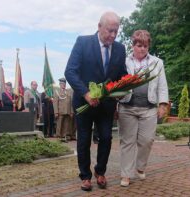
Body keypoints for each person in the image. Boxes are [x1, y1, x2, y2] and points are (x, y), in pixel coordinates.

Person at [65, 11, 127, 191]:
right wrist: (85, 93)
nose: (113, 35)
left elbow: (121, 75)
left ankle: (100, 171)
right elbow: (70, 71)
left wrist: (123, 89)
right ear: (99, 27)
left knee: (106, 137)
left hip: (106, 105)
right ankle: (85, 176)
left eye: (116, 31)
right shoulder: (83, 42)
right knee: (83, 139)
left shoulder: (120, 49)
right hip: (84, 103)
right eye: (110, 31)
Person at [118, 30, 169, 187]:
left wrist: (162, 104)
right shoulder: (124, 61)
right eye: (139, 45)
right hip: (127, 107)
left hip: (148, 107)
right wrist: (114, 105)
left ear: (148, 47)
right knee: (127, 141)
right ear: (133, 45)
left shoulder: (157, 62)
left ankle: (140, 167)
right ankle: (126, 174)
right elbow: (116, 84)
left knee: (147, 140)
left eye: (145, 46)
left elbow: (162, 85)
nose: (142, 49)